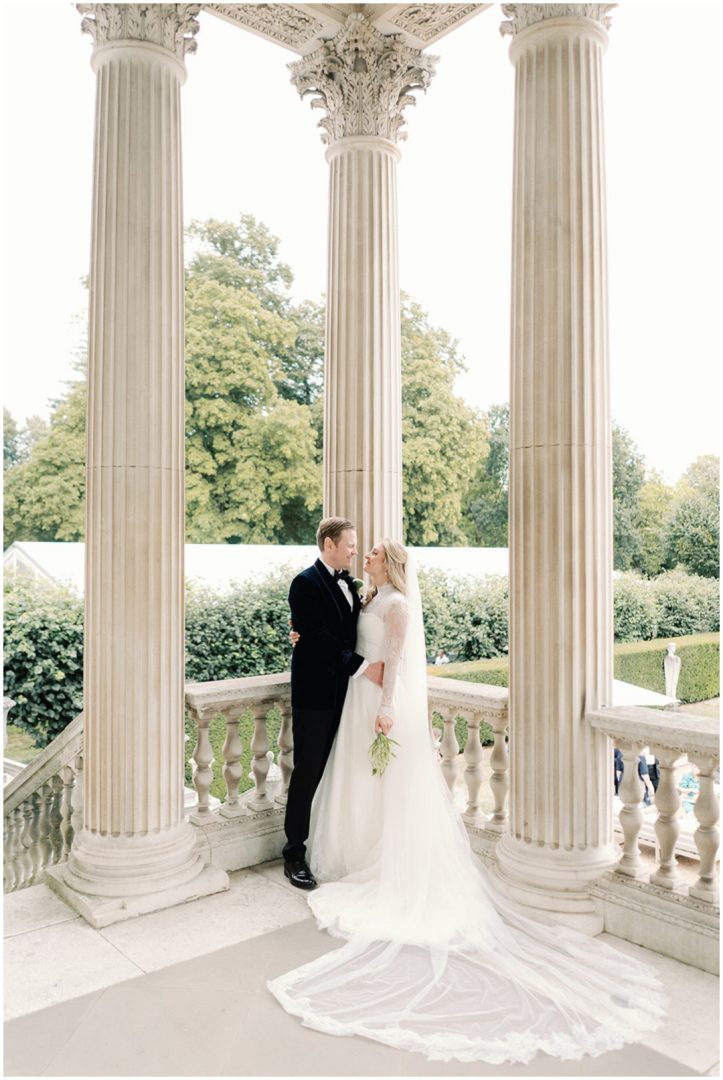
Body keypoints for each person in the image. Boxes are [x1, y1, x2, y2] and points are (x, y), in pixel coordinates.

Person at [268, 539, 664, 1064]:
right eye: (355, 550)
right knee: (346, 779)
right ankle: (317, 849)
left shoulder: (396, 604)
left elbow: (398, 662)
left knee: (378, 783)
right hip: (346, 698)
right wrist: (307, 641)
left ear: (388, 564)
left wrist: (386, 705)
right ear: (333, 548)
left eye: (371, 554)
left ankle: (374, 859)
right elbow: (328, 636)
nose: (362, 556)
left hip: (373, 705)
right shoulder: (361, 595)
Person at [282, 517, 384, 890]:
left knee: (342, 771)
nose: (355, 550)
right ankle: (293, 853)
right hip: (316, 696)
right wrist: (362, 668)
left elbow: (348, 631)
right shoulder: (304, 583)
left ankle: (339, 843)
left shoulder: (353, 585)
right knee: (307, 772)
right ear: (329, 544)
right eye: (350, 544)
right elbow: (317, 638)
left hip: (349, 697)